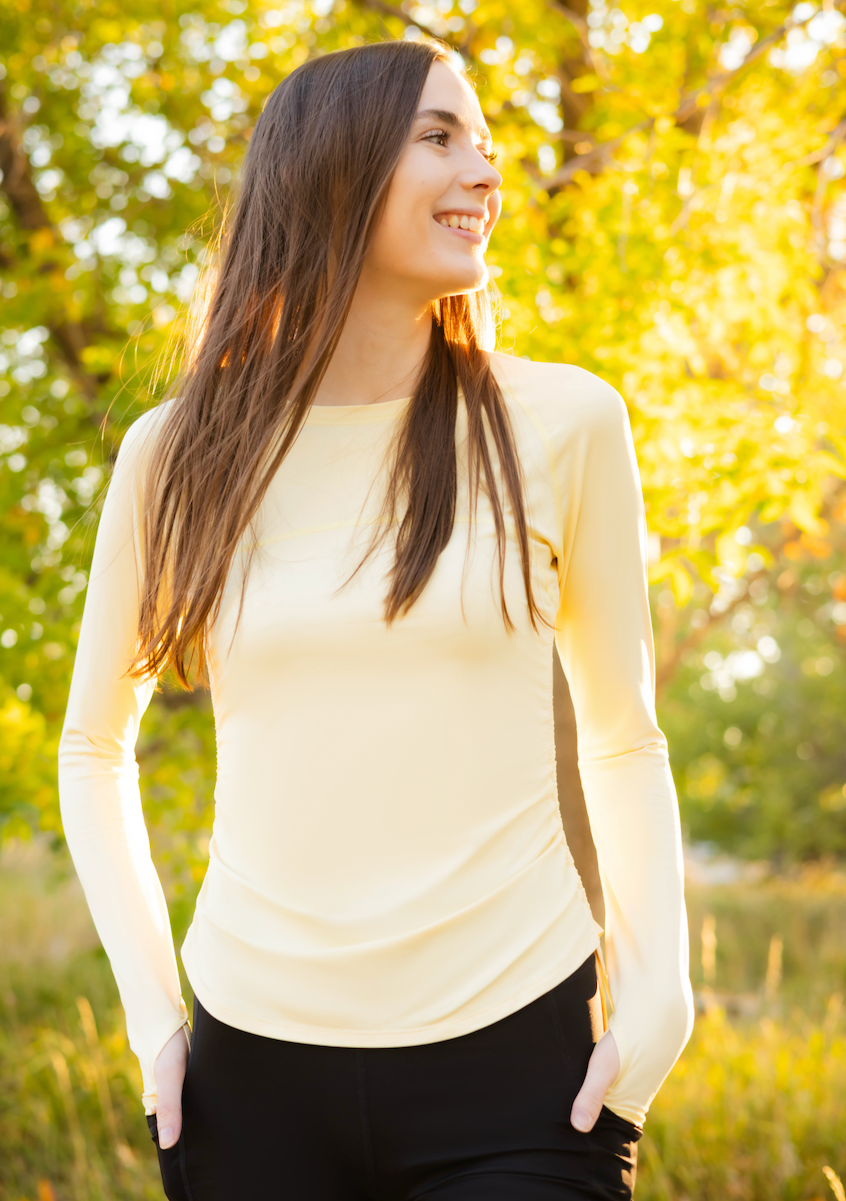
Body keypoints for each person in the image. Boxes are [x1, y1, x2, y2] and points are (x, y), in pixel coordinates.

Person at [58, 38, 693, 1201]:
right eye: (439, 137)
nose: (484, 172)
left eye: (486, 145)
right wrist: (156, 1023)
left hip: (520, 1062)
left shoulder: (566, 421)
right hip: (251, 1072)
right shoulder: (177, 454)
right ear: (333, 168)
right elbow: (94, 746)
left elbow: (622, 734)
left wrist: (663, 998)